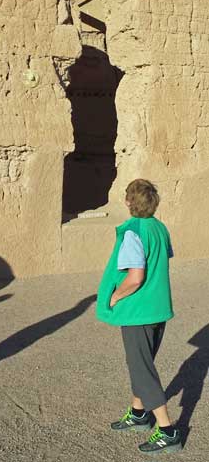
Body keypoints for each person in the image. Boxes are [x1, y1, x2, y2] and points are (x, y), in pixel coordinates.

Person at [96, 179, 182, 454]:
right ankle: (138, 413)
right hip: (157, 309)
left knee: (142, 368)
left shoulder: (133, 231)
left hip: (139, 312)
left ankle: (168, 431)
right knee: (142, 362)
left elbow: (135, 277)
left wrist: (115, 296)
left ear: (129, 202)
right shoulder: (159, 227)